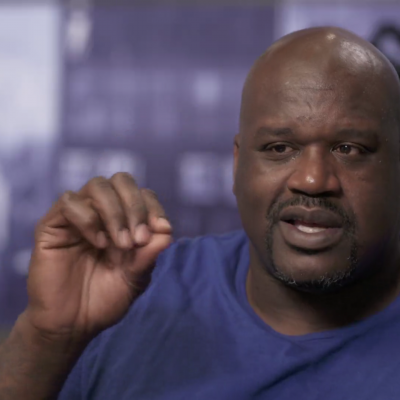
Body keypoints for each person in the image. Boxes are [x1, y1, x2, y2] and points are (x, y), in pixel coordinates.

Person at [1, 25, 400, 399]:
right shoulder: (135, 290)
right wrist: (48, 338)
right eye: (279, 148)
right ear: (237, 166)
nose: (313, 180)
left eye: (350, 149)